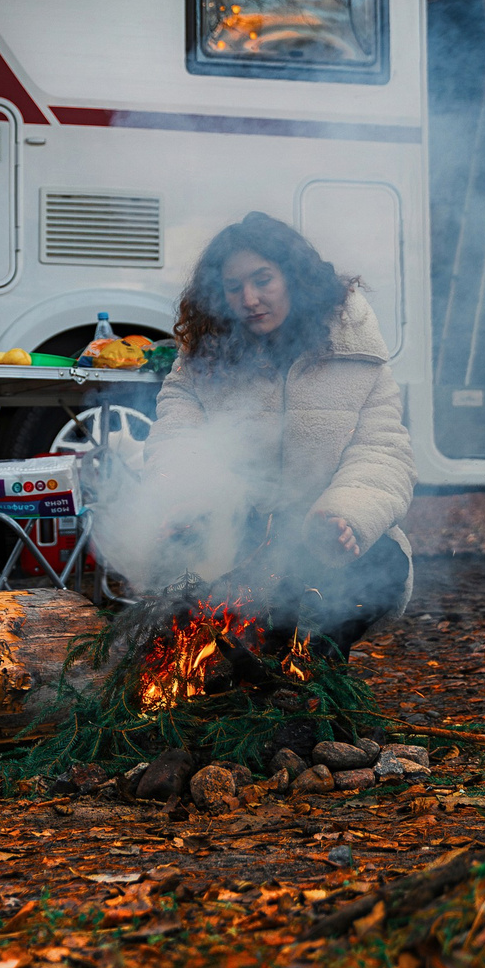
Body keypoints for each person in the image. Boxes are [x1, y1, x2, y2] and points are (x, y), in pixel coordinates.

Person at [130, 212, 416, 653]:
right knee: (208, 613)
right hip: (235, 536)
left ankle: (311, 680)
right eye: (233, 287)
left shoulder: (354, 349)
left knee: (379, 565)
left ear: (294, 276)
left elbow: (383, 451)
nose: (249, 298)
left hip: (319, 537)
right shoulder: (204, 357)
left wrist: (345, 515)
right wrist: (186, 498)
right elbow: (176, 437)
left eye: (263, 279)